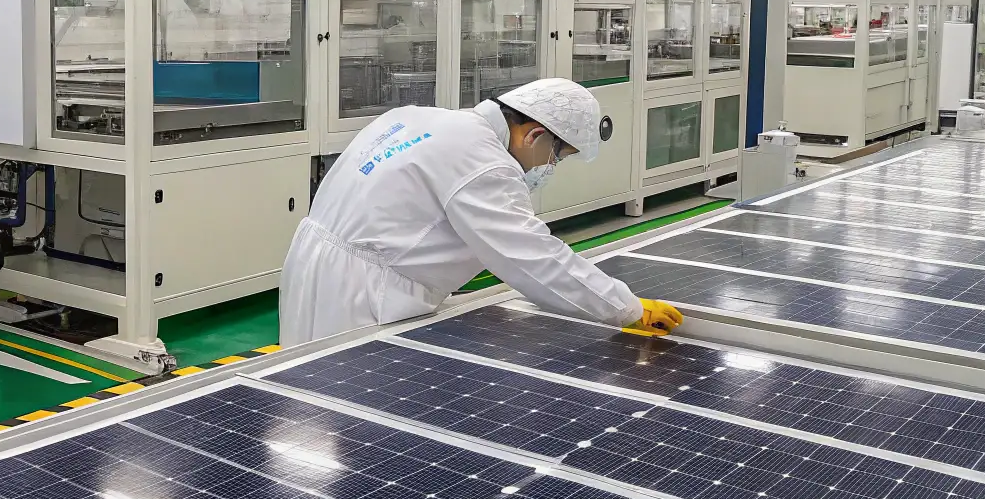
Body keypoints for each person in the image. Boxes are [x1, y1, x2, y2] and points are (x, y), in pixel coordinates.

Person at [279, 77, 684, 346]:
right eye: (558, 156)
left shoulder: (419, 118)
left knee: (300, 376)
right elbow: (531, 256)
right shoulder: (484, 161)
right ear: (535, 135)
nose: (550, 167)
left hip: (313, 261)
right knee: (348, 400)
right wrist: (625, 308)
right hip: (362, 291)